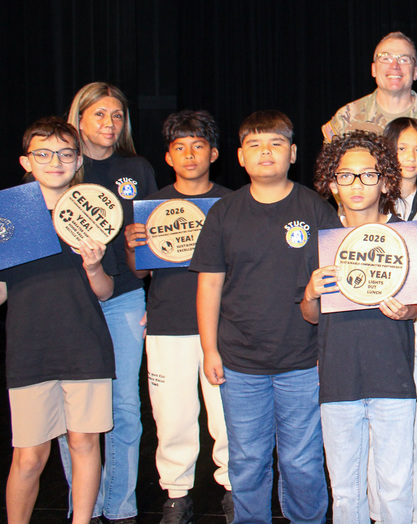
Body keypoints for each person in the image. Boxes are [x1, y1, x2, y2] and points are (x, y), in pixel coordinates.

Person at [190, 110, 332, 523]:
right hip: (240, 363)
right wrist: (209, 349)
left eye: (275, 143)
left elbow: (334, 289)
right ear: (239, 156)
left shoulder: (316, 209)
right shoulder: (223, 213)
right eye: (254, 145)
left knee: (302, 462)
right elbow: (209, 287)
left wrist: (328, 351)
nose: (265, 152)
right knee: (247, 460)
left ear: (292, 153)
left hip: (303, 362)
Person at [301, 130, 417, 523]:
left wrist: (407, 312)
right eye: (346, 176)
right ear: (332, 183)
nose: (357, 185)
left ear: (386, 180)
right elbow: (309, 314)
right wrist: (310, 292)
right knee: (346, 491)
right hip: (338, 381)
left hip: (392, 379)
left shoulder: (406, 235)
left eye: (368, 175)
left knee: (394, 487)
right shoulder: (321, 239)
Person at [2, 117, 116, 524]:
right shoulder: (11, 216)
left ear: (78, 159)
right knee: (29, 456)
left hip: (85, 347)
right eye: (44, 153)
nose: (56, 161)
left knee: (84, 443)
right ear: (26, 161)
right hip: (29, 349)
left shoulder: (96, 211)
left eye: (66, 153)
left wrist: (94, 265)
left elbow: (105, 291)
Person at [122, 110, 233, 523]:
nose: (189, 155)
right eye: (180, 147)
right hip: (167, 326)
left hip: (223, 330)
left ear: (214, 153)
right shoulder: (151, 208)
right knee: (172, 418)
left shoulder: (230, 203)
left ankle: (234, 489)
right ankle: (176, 495)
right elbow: (139, 272)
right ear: (168, 156)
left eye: (198, 146)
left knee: (228, 418)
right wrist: (134, 246)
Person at [64, 81, 158, 523]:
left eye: (117, 116)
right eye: (99, 114)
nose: (109, 123)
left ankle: (119, 507)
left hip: (123, 297)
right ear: (79, 118)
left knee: (124, 405)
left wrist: (142, 243)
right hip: (68, 304)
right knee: (75, 410)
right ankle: (84, 505)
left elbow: (149, 249)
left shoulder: (136, 167)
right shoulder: (61, 167)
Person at [377, 117, 417, 524]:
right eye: (401, 148)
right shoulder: (365, 203)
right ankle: (381, 512)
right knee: (382, 426)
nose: (411, 157)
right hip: (376, 327)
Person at [322, 31, 417, 197]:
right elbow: (332, 180)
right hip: (361, 220)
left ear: (416, 72)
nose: (394, 65)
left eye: (404, 59)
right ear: (373, 69)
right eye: (385, 58)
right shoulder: (346, 118)